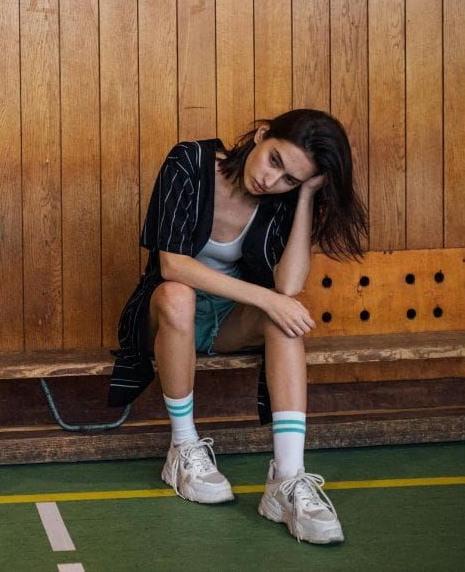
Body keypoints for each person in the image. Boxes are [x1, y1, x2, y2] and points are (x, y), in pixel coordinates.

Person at [109, 109, 367, 544]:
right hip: (166, 318)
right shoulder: (189, 162)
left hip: (226, 319)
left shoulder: (284, 199)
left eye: (289, 179)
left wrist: (304, 199)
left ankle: (286, 479)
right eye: (274, 160)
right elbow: (171, 265)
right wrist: (266, 298)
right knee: (179, 295)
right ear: (262, 135)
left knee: (284, 316)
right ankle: (183, 449)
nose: (272, 181)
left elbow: (287, 285)